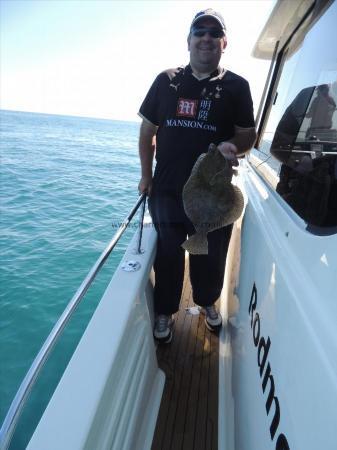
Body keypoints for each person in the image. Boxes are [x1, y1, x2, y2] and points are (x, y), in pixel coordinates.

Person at [138, 8, 256, 343]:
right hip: (168, 190)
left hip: (214, 190)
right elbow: (147, 132)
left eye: (213, 32)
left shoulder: (237, 86)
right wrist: (146, 176)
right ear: (188, 40)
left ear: (224, 42)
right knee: (168, 253)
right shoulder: (167, 81)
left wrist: (233, 146)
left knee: (209, 253)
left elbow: (247, 135)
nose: (206, 38)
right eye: (199, 31)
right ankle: (165, 311)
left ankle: (206, 302)